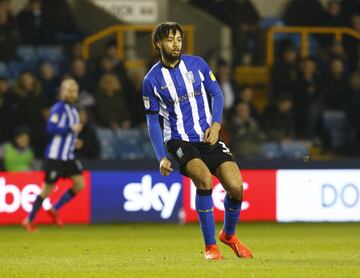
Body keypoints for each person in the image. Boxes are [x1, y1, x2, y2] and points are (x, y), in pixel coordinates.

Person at [143, 22, 252, 260]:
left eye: (179, 39)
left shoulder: (198, 64)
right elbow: (152, 122)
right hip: (179, 140)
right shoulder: (151, 80)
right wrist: (161, 156)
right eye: (170, 40)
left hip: (208, 136)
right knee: (203, 179)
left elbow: (217, 93)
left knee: (235, 187)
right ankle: (210, 247)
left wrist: (216, 125)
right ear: (158, 44)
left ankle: (229, 235)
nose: (176, 44)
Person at [22, 79, 85, 233]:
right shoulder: (58, 108)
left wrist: (74, 141)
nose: (72, 93)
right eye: (69, 90)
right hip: (55, 156)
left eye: (74, 90)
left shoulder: (74, 110)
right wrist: (70, 129)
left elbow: (67, 134)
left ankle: (54, 208)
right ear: (63, 91)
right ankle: (29, 219)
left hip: (68, 156)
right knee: (47, 189)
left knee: (80, 184)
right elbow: (50, 129)